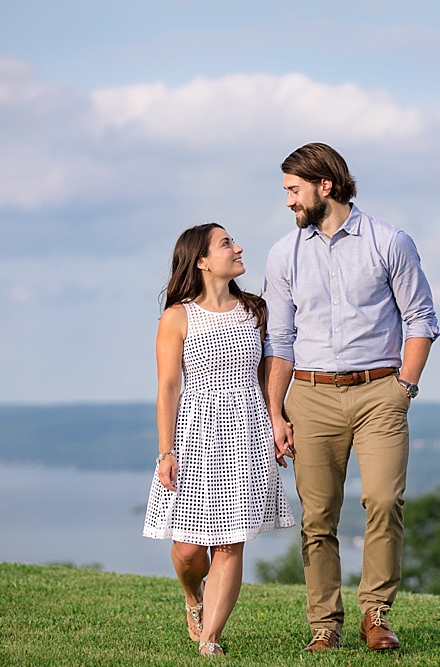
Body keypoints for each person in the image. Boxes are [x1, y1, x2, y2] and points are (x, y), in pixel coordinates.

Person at [262, 143, 440, 652]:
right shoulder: (283, 254)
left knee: (384, 499)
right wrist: (275, 412)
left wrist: (404, 386)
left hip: (381, 391)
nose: (289, 202)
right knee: (318, 515)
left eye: (294, 190)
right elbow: (279, 341)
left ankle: (376, 614)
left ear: (326, 186)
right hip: (312, 396)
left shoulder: (390, 242)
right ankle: (325, 625)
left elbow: (421, 319)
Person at [142, 223, 295, 657]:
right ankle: (194, 597)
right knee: (189, 551)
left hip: (246, 432)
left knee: (230, 542)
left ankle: (211, 641)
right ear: (202, 260)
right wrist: (166, 452)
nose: (239, 247)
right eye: (227, 243)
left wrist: (278, 420)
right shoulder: (178, 316)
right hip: (195, 434)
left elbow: (270, 375)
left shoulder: (257, 310)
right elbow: (168, 387)